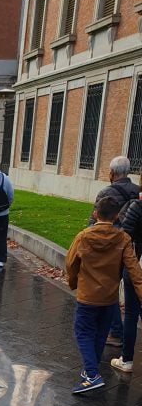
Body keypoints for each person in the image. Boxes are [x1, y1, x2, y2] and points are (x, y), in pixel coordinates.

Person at [66, 196, 142, 393]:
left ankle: (92, 374)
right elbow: (134, 271)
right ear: (117, 216)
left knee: (83, 332)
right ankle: (90, 370)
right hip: (109, 297)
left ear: (95, 213)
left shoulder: (83, 236)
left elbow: (71, 263)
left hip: (87, 295)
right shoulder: (123, 239)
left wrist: (73, 283)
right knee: (100, 334)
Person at [93, 157, 141, 348]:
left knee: (110, 288)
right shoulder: (137, 191)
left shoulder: (106, 192)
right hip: (132, 247)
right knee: (133, 285)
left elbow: (95, 220)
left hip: (111, 248)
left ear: (112, 173)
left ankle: (116, 331)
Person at [110, 193, 142, 373]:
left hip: (136, 265)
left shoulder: (137, 207)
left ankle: (127, 360)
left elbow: (124, 239)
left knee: (131, 313)